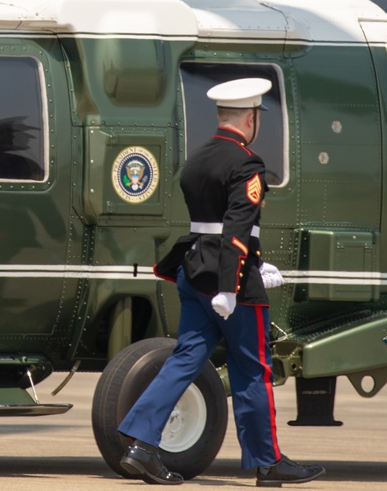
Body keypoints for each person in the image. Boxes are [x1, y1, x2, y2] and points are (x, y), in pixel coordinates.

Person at [117, 77, 324, 487]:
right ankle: (268, 463)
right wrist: (232, 286)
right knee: (253, 369)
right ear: (251, 118)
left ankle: (140, 444)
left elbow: (208, 227)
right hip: (230, 284)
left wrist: (253, 263)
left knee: (186, 360)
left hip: (193, 271)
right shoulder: (246, 164)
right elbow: (235, 230)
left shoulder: (198, 159)